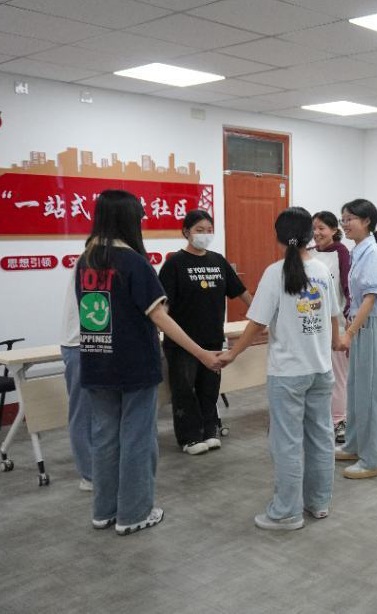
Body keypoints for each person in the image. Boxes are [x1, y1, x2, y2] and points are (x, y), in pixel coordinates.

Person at [76, 190, 222, 535]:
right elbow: (160, 317)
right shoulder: (132, 261)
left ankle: (104, 511)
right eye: (139, 217)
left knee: (105, 437)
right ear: (127, 220)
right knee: (138, 439)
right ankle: (134, 513)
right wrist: (202, 353)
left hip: (96, 361)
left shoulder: (86, 260)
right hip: (133, 364)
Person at [219, 207, 341, 530]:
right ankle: (319, 503)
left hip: (288, 374)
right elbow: (333, 316)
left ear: (279, 237)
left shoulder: (275, 273)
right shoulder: (322, 270)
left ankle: (286, 512)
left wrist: (232, 355)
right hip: (321, 369)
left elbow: (256, 323)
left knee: (286, 442)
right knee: (321, 437)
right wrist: (335, 342)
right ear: (309, 235)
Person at [158, 210, 252, 455]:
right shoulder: (174, 264)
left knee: (209, 390)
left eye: (209, 230)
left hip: (213, 339)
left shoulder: (218, 261)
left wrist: (260, 313)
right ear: (186, 232)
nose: (205, 235)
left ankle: (209, 432)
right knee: (184, 391)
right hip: (183, 344)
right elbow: (163, 306)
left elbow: (240, 292)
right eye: (199, 230)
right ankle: (189, 438)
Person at [334, 199, 377, 480]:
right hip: (361, 325)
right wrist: (351, 323)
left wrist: (349, 332)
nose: (345, 224)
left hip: (372, 327)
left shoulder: (374, 253)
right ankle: (355, 445)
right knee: (357, 389)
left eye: (350, 219)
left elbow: (370, 298)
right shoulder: (358, 251)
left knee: (372, 395)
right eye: (343, 219)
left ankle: (374, 459)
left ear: (367, 220)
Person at [310, 210, 351, 445]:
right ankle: (320, 420)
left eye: (322, 228)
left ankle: (339, 421)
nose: (317, 233)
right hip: (312, 326)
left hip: (337, 326)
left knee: (337, 377)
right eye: (314, 228)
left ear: (334, 230)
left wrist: (349, 329)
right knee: (316, 376)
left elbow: (348, 290)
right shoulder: (308, 253)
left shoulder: (342, 253)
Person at [60, 268, 91, 491]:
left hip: (100, 345)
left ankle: (101, 471)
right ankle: (90, 475)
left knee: (104, 415)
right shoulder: (89, 262)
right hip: (80, 345)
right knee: (84, 414)